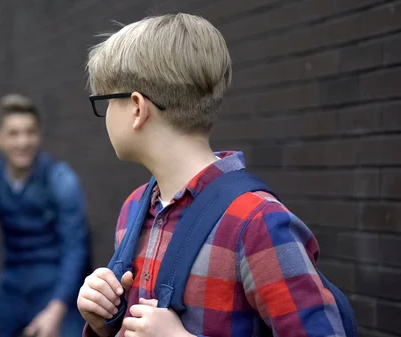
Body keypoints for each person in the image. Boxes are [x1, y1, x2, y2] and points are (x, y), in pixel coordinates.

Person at [77, 13, 346, 337]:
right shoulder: (135, 208)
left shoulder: (257, 222)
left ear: (137, 108)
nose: (104, 117)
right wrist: (102, 323)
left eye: (104, 103)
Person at [0, 94, 91, 337]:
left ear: (39, 135)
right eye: (13, 133)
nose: (23, 141)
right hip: (12, 282)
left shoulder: (60, 180)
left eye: (30, 132)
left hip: (56, 283)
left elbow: (76, 248)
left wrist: (56, 310)